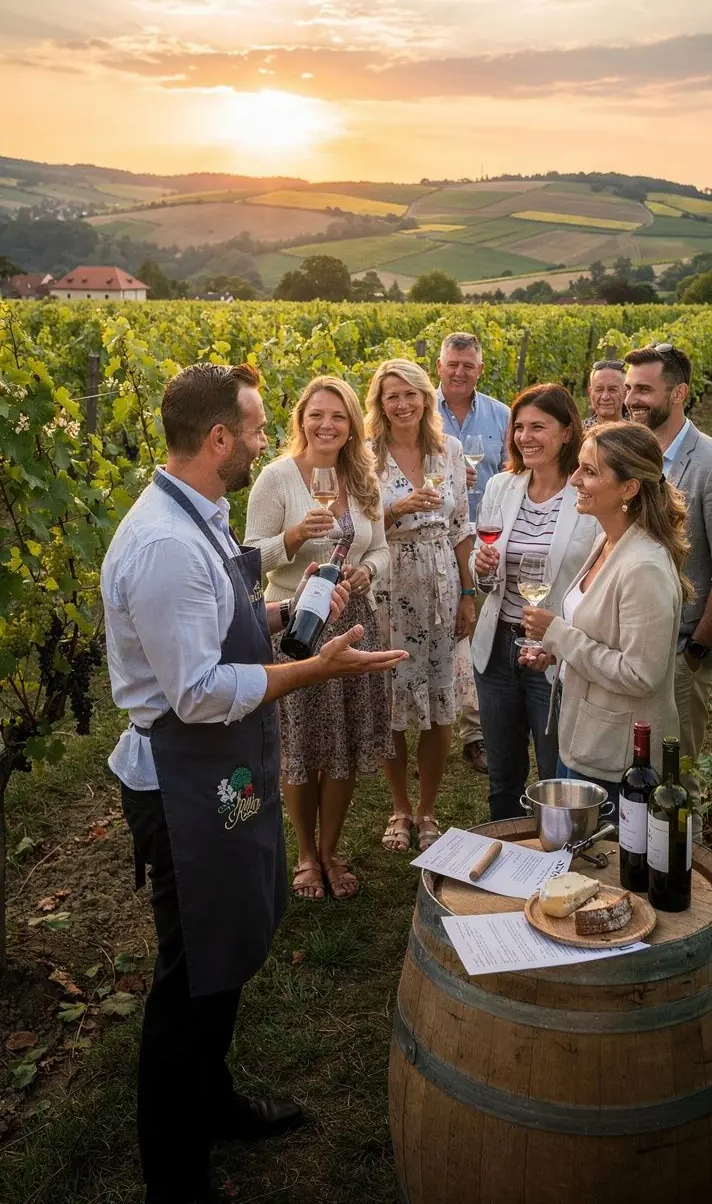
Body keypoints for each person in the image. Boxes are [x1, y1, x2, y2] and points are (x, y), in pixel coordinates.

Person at [101, 362, 406, 1204]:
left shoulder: (194, 517)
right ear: (219, 438)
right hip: (181, 781)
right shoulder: (164, 543)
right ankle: (176, 1171)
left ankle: (214, 1101)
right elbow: (198, 692)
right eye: (260, 426)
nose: (270, 439)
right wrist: (310, 670)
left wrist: (286, 612)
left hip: (213, 773)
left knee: (224, 951)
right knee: (189, 976)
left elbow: (226, 616)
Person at [244, 376, 391, 901]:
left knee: (343, 742)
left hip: (353, 622)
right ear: (301, 419)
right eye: (317, 415)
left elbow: (381, 550)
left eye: (338, 416)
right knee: (301, 744)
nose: (327, 425)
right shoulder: (276, 478)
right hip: (296, 626)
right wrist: (293, 537)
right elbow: (247, 560)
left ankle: (332, 848)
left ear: (352, 424)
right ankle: (305, 853)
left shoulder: (363, 478)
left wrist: (366, 573)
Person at [521, 422, 691, 814]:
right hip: (584, 735)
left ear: (629, 488)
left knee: (603, 866)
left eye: (591, 471)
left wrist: (559, 636)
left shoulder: (643, 566)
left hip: (617, 757)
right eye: (579, 467)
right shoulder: (609, 540)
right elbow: (600, 636)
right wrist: (555, 652)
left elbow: (641, 674)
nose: (575, 478)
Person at [623, 342, 712, 807]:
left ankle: (681, 871)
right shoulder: (632, 455)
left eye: (644, 389)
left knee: (674, 780)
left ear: (679, 392)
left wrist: (695, 650)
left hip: (681, 649)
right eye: (628, 388)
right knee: (634, 768)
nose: (631, 399)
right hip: (630, 645)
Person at [471, 384, 599, 819]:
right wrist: (483, 566)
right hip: (496, 651)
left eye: (538, 427)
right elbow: (483, 568)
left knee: (555, 773)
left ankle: (557, 862)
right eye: (519, 427)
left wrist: (557, 640)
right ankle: (505, 855)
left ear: (567, 432)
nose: (526, 436)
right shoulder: (502, 486)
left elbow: (596, 581)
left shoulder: (586, 497)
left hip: (555, 655)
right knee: (503, 774)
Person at [365, 357, 476, 853]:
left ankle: (428, 808)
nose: (403, 403)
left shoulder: (448, 451)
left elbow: (461, 527)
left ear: (425, 398)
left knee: (439, 697)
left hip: (441, 582)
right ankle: (399, 807)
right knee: (391, 700)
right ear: (380, 404)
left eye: (411, 393)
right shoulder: (365, 457)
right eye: (393, 395)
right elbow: (356, 527)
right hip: (388, 582)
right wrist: (394, 510)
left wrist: (469, 593)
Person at [435, 330, 512, 775]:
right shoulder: (420, 414)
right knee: (446, 628)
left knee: (480, 626)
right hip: (430, 537)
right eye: (452, 364)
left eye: (468, 365)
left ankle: (476, 730)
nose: (459, 371)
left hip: (485, 539)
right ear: (440, 367)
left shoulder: (501, 415)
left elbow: (513, 470)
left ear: (480, 370)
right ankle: (439, 716)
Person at [583, 359, 629, 426]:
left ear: (625, 393)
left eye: (612, 390)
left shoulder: (638, 433)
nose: (605, 397)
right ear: (590, 393)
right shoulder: (578, 432)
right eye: (599, 390)